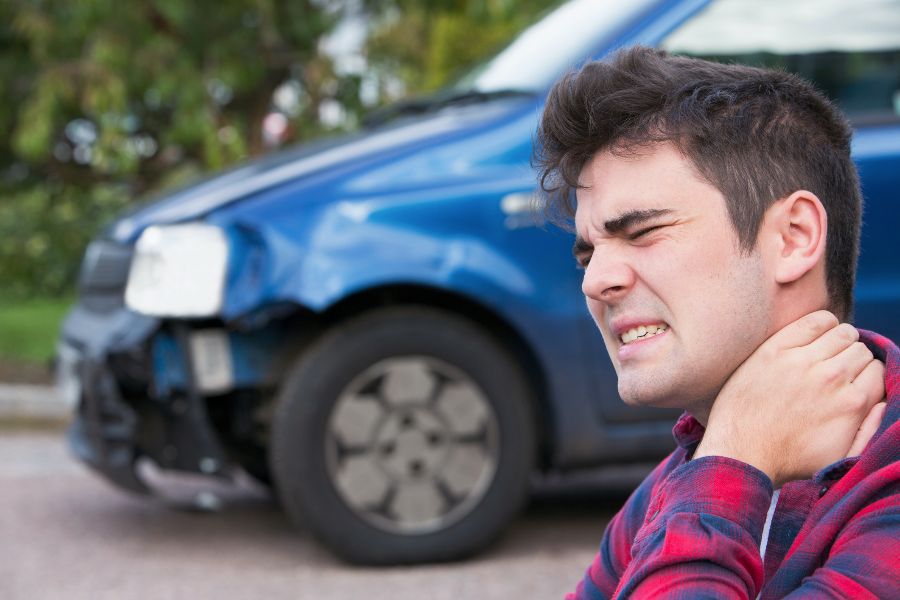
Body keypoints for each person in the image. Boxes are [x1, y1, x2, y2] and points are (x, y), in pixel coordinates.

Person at [535, 46, 899, 598]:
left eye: (643, 232)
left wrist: (737, 454)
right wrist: (732, 453)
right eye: (588, 254)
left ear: (794, 237)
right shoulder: (677, 479)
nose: (594, 281)